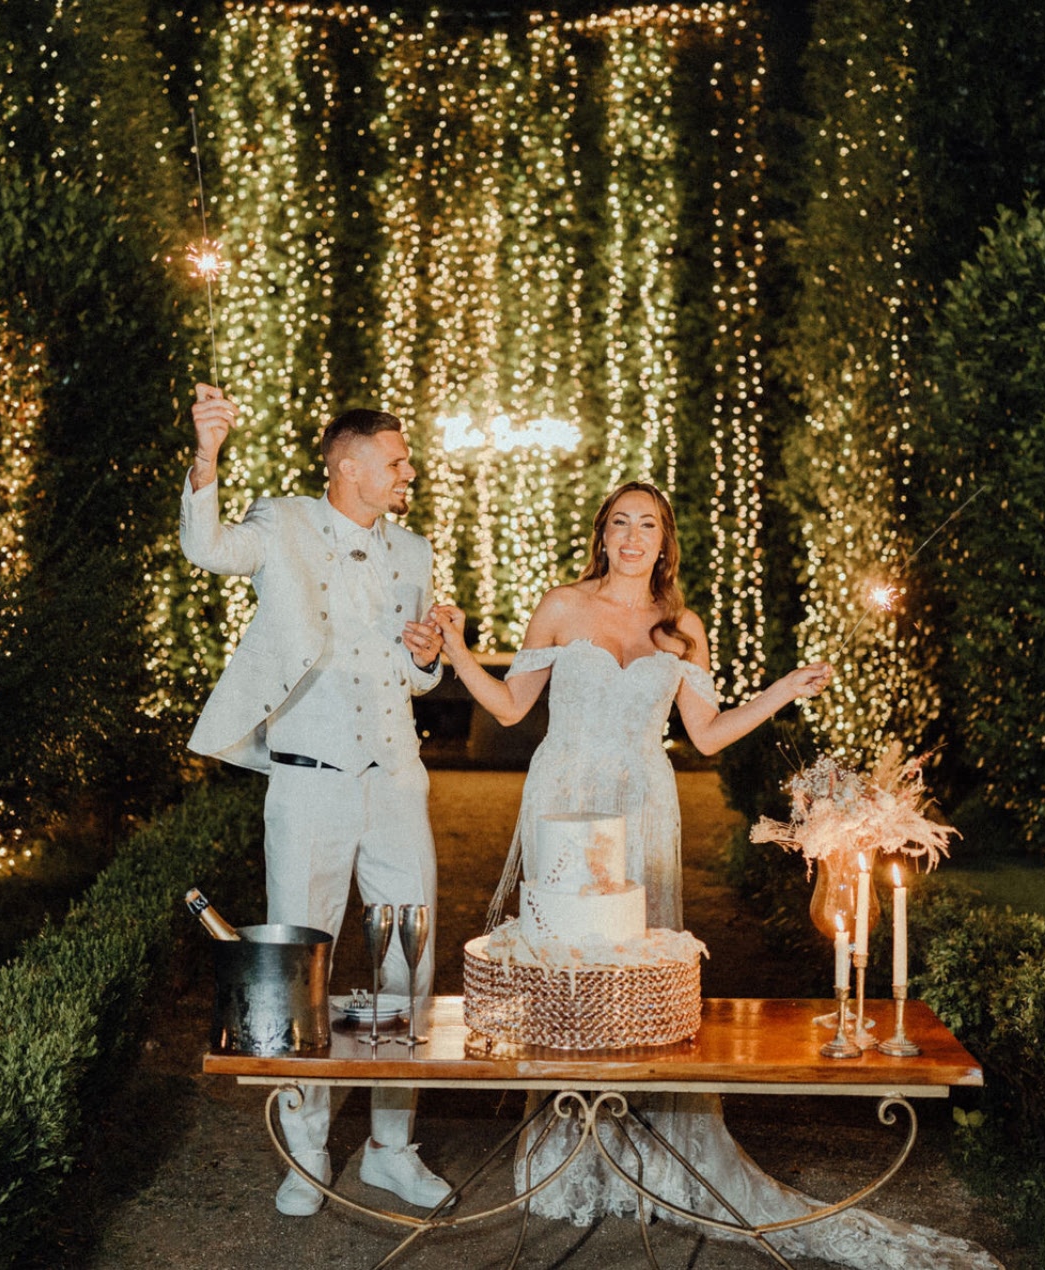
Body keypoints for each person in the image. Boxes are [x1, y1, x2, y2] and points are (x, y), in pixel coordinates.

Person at [432, 481, 1002, 1269]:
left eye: (649, 525)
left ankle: (650, 1145)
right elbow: (507, 707)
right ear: (602, 534)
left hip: (644, 802)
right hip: (564, 801)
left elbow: (704, 735)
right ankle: (570, 1145)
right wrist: (458, 648)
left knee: (638, 971)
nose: (633, 537)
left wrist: (782, 691)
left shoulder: (683, 627)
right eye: (621, 522)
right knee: (570, 964)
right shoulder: (561, 606)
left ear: (666, 542)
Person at [181, 382, 453, 1218]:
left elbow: (414, 674)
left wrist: (427, 655)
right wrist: (208, 452)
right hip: (308, 782)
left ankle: (390, 1148)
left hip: (396, 779)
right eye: (395, 462)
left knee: (409, 956)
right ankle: (306, 1153)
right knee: (302, 966)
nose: (408, 473)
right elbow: (207, 548)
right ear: (347, 466)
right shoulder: (285, 522)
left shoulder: (414, 550)